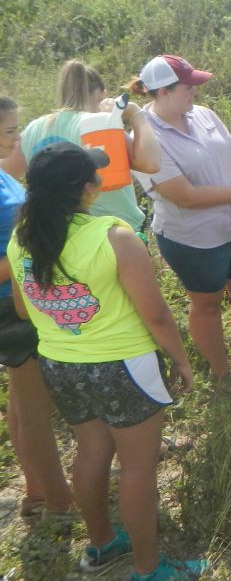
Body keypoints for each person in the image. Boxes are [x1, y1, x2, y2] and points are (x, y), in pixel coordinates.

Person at [8, 143, 202, 581]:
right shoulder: (114, 236)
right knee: (138, 467)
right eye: (95, 175)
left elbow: (23, 310)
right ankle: (149, 569)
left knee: (91, 453)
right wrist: (181, 360)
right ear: (87, 190)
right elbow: (155, 314)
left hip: (61, 364)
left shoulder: (21, 240)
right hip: (123, 366)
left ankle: (100, 545)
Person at [129, 55, 231, 387]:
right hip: (191, 237)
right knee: (207, 303)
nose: (195, 93)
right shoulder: (144, 140)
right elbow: (184, 196)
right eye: (188, 87)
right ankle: (221, 373)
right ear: (162, 92)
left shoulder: (203, 115)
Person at [0, 97, 72, 519]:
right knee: (36, 407)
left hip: (18, 302)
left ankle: (34, 489)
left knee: (22, 398)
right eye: (10, 130)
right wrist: (33, 250)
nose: (16, 136)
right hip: (11, 309)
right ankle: (59, 500)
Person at [3, 59, 161, 233]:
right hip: (114, 232)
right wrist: (135, 113)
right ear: (100, 94)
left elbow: (5, 173)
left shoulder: (35, 129)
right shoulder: (100, 126)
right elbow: (151, 164)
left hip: (57, 233)